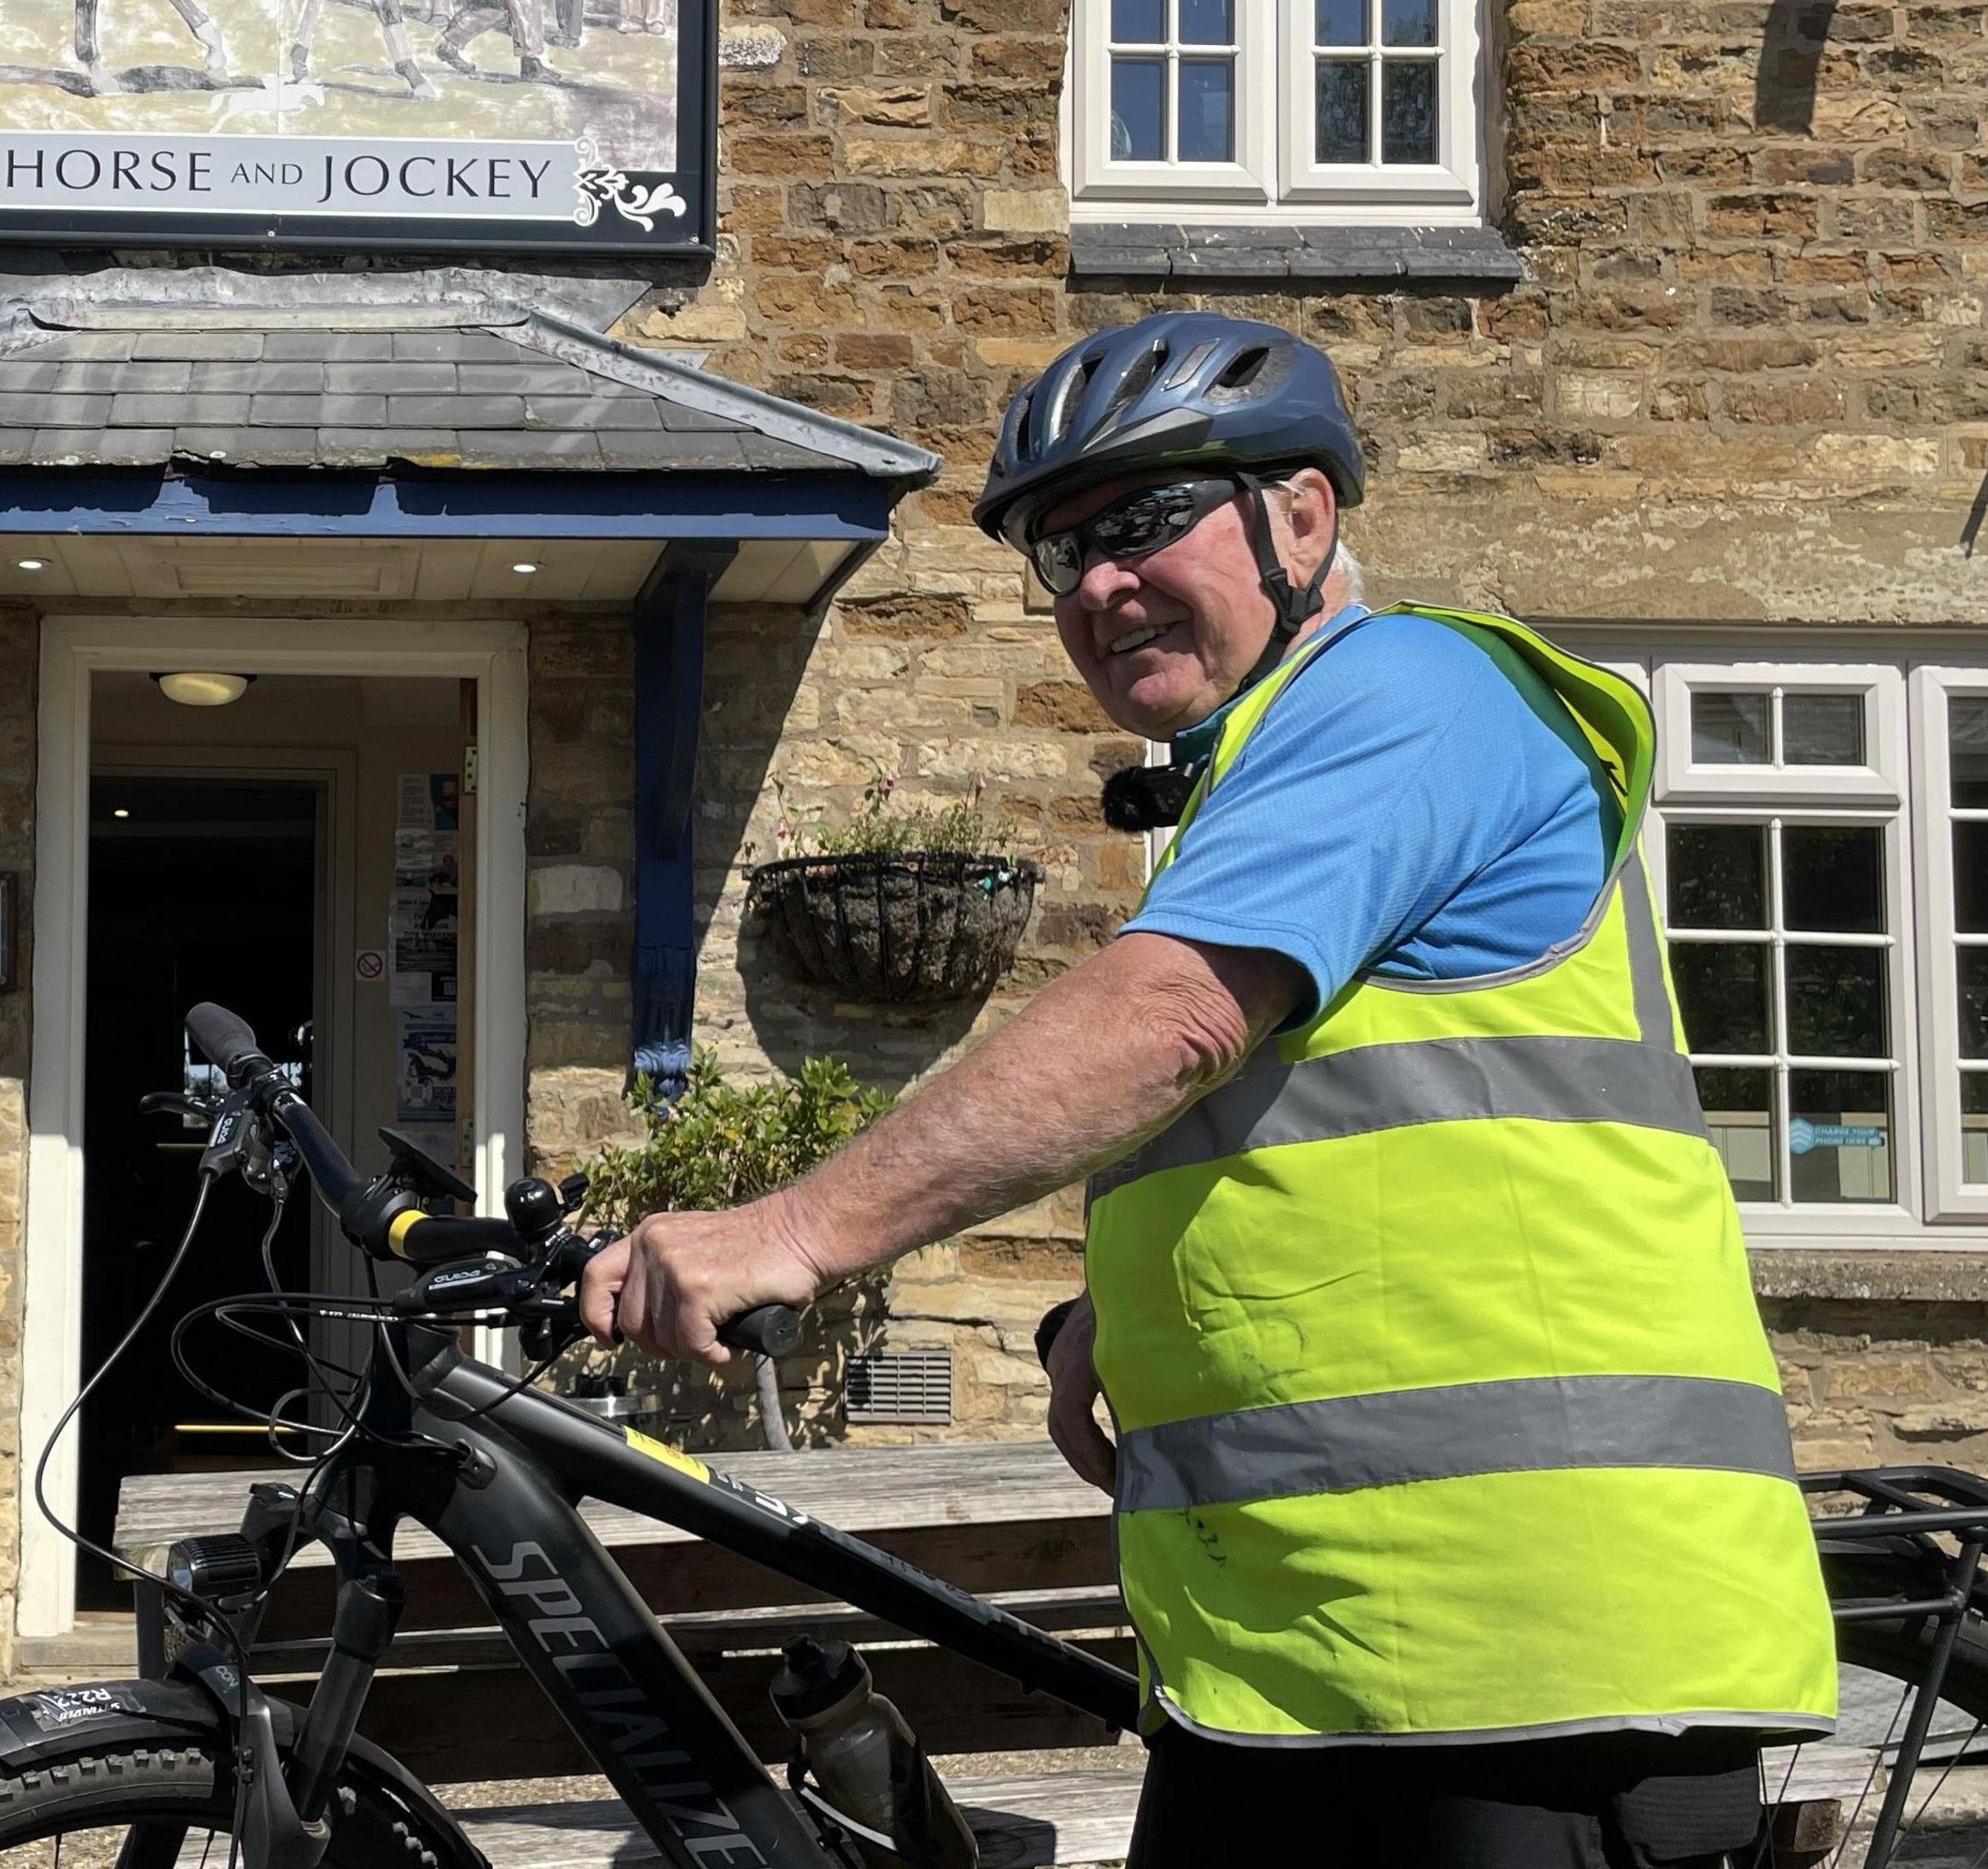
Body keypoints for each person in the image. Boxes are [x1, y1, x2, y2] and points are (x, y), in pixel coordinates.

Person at [580, 311, 1839, 1867]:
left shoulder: (1417, 696)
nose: (1099, 584)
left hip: (1536, 1655)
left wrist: (795, 1228)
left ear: (1300, 515)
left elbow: (1170, 1015)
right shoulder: (1267, 774)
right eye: (1061, 555)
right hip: (1297, 1671)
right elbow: (1356, 1145)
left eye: (1143, 523)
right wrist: (1115, 1318)